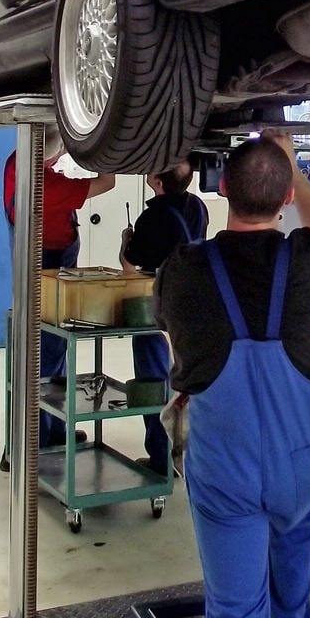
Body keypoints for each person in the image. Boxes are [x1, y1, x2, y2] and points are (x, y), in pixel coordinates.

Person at [155, 132, 310, 618]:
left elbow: (174, 343)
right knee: (292, 602)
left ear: (222, 188)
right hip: (302, 464)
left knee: (238, 613)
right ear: (287, 197)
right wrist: (294, 168)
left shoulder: (184, 271)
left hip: (227, 469)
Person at [2, 150, 116, 448]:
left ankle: (50, 432)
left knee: (52, 355)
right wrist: (108, 148)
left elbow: (48, 156)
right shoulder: (46, 186)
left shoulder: (18, 164)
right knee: (45, 360)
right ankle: (32, 444)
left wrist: (62, 151)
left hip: (39, 275)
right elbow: (108, 182)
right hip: (48, 277)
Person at [119, 159, 210, 476]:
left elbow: (129, 265)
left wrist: (126, 241)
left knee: (154, 380)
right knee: (189, 382)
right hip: (194, 303)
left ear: (158, 182)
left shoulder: (152, 217)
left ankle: (161, 460)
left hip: (158, 305)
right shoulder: (198, 206)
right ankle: (188, 456)